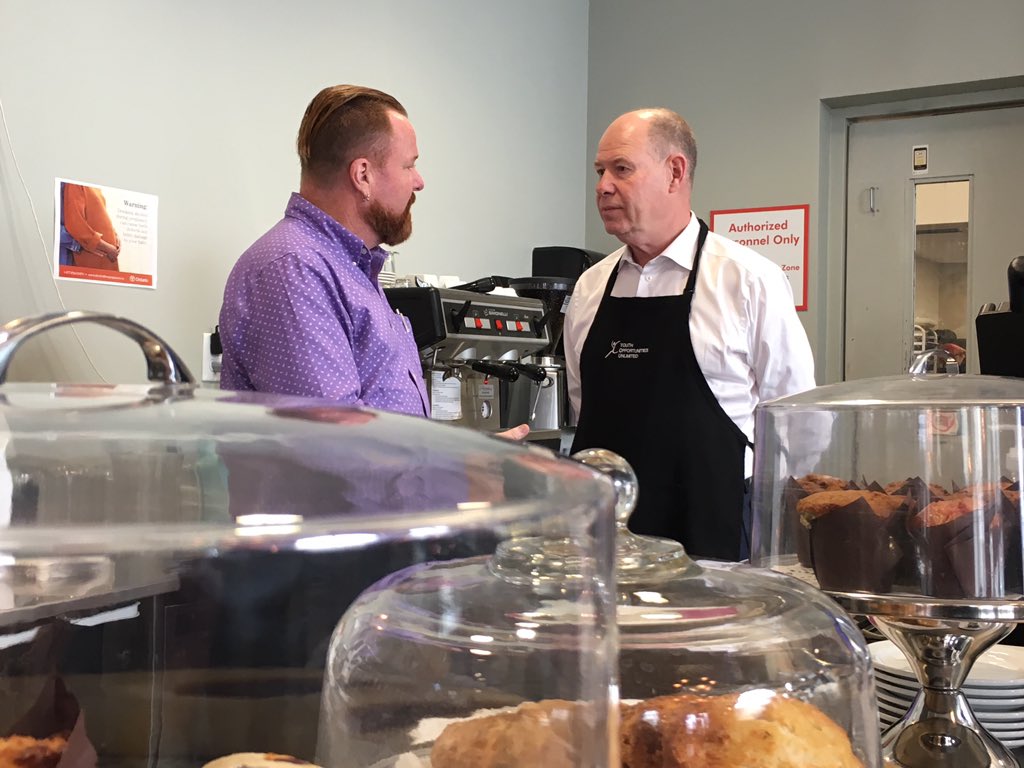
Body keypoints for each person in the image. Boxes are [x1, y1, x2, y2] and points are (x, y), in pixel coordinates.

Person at [564, 107, 815, 561]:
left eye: (621, 169)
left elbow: (798, 426)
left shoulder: (747, 280)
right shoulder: (590, 287)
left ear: (675, 172)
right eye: (600, 171)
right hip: (607, 549)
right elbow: (584, 406)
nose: (603, 186)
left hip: (714, 538)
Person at [219, 85, 527, 438]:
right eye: (409, 165)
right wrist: (463, 465)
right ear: (363, 175)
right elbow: (334, 444)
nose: (419, 182)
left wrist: (468, 456)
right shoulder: (294, 269)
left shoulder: (350, 268)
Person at [62, 183, 120, 270]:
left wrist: (115, 236)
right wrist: (107, 248)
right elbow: (76, 226)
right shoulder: (75, 185)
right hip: (94, 257)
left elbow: (100, 216)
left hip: (107, 257)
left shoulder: (95, 187)